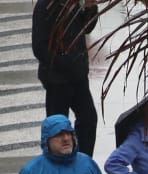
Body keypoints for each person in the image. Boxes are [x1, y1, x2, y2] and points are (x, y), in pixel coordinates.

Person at [31, 0, 99, 157]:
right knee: (57, 127)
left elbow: (86, 28)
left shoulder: (73, 3)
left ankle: (83, 162)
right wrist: (65, 62)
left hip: (78, 77)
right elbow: (39, 47)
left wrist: (90, 8)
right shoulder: (45, 6)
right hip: (57, 80)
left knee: (88, 119)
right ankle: (57, 164)